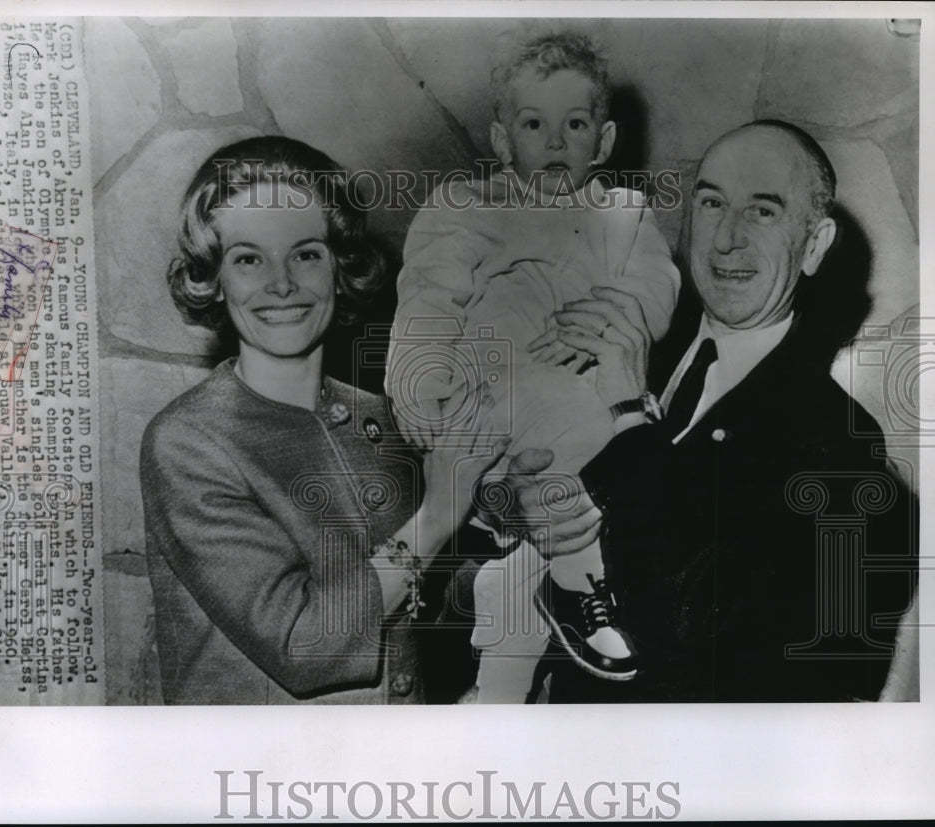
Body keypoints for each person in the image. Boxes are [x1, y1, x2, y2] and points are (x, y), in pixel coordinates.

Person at [525, 120, 916, 702]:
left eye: (762, 211)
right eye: (711, 202)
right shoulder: (633, 349)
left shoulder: (841, 446)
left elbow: (697, 622)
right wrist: (519, 506)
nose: (726, 238)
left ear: (814, 245)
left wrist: (632, 415)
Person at [140, 136, 514, 704]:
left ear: (340, 268)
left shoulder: (381, 417)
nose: (281, 282)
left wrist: (513, 521)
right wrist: (439, 514)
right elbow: (304, 644)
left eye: (305, 253)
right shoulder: (188, 443)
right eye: (248, 258)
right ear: (214, 278)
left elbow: (427, 599)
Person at [386, 32, 680, 702]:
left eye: (574, 125)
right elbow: (429, 293)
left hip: (569, 403)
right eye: (533, 124)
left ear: (602, 144)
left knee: (604, 466)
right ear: (500, 139)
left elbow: (655, 285)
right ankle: (580, 588)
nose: (554, 142)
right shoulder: (468, 206)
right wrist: (418, 378)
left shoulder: (620, 213)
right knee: (589, 453)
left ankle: (537, 611)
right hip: (486, 388)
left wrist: (610, 315)